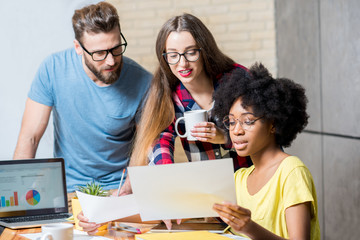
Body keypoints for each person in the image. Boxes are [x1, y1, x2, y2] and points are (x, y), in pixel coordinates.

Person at [13, 2, 152, 194]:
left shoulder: (144, 82)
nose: (111, 60)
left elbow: (146, 144)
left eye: (116, 48)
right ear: (78, 48)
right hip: (68, 191)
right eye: (100, 53)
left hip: (118, 190)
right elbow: (30, 138)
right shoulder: (53, 69)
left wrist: (130, 186)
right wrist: (18, 194)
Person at [129, 13, 251, 170]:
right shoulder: (169, 96)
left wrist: (225, 137)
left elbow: (264, 130)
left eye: (191, 52)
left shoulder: (238, 79)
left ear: (204, 51)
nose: (183, 63)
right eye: (173, 55)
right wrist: (165, 171)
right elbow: (160, 139)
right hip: (210, 186)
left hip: (254, 180)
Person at [212, 63, 320, 239]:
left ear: (273, 124)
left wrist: (249, 228)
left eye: (248, 121)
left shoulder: (291, 171)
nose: (236, 131)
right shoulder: (239, 179)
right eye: (231, 122)